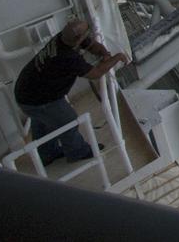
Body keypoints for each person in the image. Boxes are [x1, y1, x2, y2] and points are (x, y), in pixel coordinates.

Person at [13, 18, 128, 164]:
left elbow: (90, 45)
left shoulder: (62, 38)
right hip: (38, 99)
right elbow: (95, 74)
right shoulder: (67, 57)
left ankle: (46, 154)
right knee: (68, 120)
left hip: (26, 91)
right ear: (78, 38)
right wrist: (117, 58)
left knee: (43, 121)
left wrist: (104, 53)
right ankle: (77, 152)